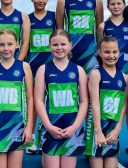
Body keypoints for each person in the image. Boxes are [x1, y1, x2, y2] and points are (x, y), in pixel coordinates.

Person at [34, 29, 88, 168]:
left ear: (70, 45)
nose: (59, 48)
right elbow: (38, 101)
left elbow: (84, 101)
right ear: (49, 46)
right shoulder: (43, 69)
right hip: (51, 127)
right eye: (55, 44)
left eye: (63, 44)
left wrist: (74, 127)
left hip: (71, 128)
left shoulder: (78, 70)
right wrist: (48, 126)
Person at [97, 0, 128, 165]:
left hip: (127, 70)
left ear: (124, 5)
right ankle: (99, 138)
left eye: (119, 3)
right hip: (108, 71)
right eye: (112, 4)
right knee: (104, 105)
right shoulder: (102, 26)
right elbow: (100, 48)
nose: (116, 6)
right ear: (108, 7)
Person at [0, 29, 34, 168]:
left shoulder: (24, 67)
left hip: (18, 127)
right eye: (2, 44)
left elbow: (30, 99)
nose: (6, 48)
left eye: (10, 44)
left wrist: (29, 127)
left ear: (17, 44)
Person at [86, 36, 128, 168]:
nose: (111, 55)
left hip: (112, 127)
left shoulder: (125, 78)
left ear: (119, 52)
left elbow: (123, 105)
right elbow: (95, 104)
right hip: (96, 126)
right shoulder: (96, 74)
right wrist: (98, 131)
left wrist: (117, 129)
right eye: (107, 52)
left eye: (114, 52)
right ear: (99, 52)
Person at [55, 0, 103, 76]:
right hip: (71, 51)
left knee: (91, 85)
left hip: (91, 51)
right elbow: (60, 31)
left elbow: (100, 28)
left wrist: (100, 51)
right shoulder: (63, 0)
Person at [25, 0, 56, 155]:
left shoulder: (53, 17)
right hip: (33, 66)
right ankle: (31, 138)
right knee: (35, 102)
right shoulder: (27, 19)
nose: (41, 0)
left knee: (49, 102)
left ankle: (45, 134)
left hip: (51, 65)